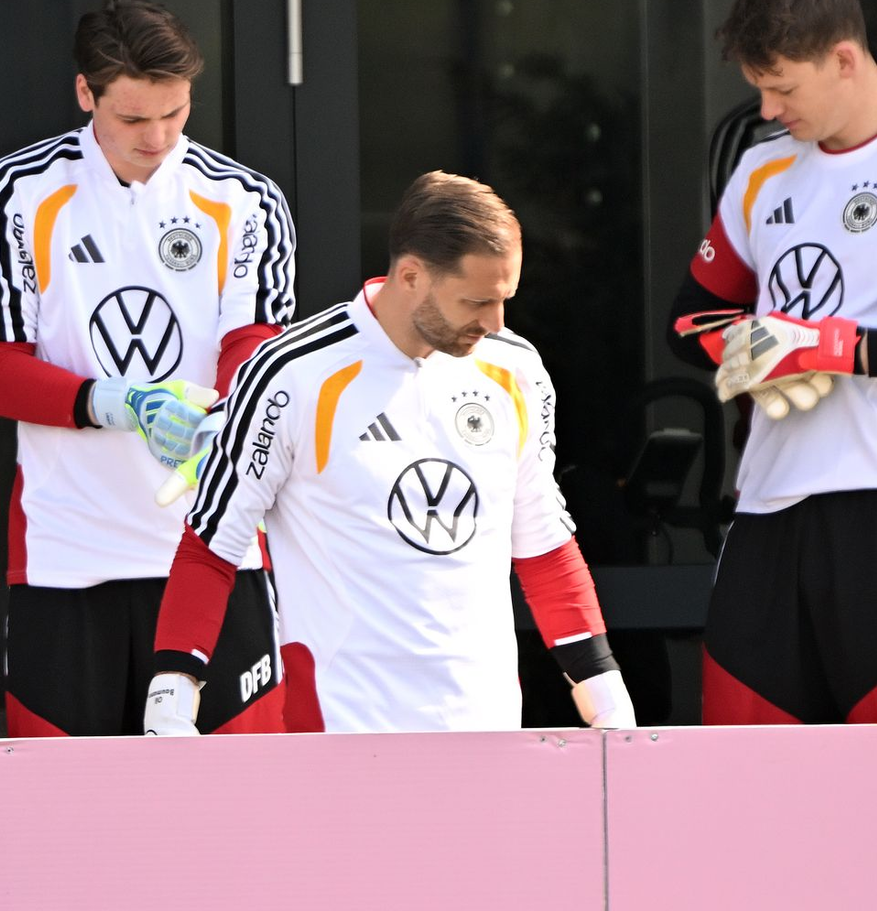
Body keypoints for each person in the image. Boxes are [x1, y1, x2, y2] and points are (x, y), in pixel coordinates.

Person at [145, 170, 635, 734]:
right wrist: (172, 694)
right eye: (476, 301)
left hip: (487, 727)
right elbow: (212, 545)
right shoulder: (292, 373)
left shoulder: (516, 369)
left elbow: (544, 542)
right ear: (410, 276)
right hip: (343, 730)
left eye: (504, 299)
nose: (496, 322)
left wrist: (606, 694)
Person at [0, 0, 295, 736]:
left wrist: (225, 413)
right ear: (86, 93)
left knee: (242, 807)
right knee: (65, 813)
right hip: (67, 549)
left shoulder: (245, 198)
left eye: (175, 113)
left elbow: (255, 341)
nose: (159, 137)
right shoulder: (18, 192)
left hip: (216, 544)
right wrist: (117, 402)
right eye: (134, 119)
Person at [668, 0, 877, 724]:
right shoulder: (761, 168)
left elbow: (830, 344)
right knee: (744, 776)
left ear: (844, 59)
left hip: (870, 494)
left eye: (783, 87)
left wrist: (832, 348)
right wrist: (754, 349)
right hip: (770, 506)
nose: (767, 106)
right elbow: (687, 321)